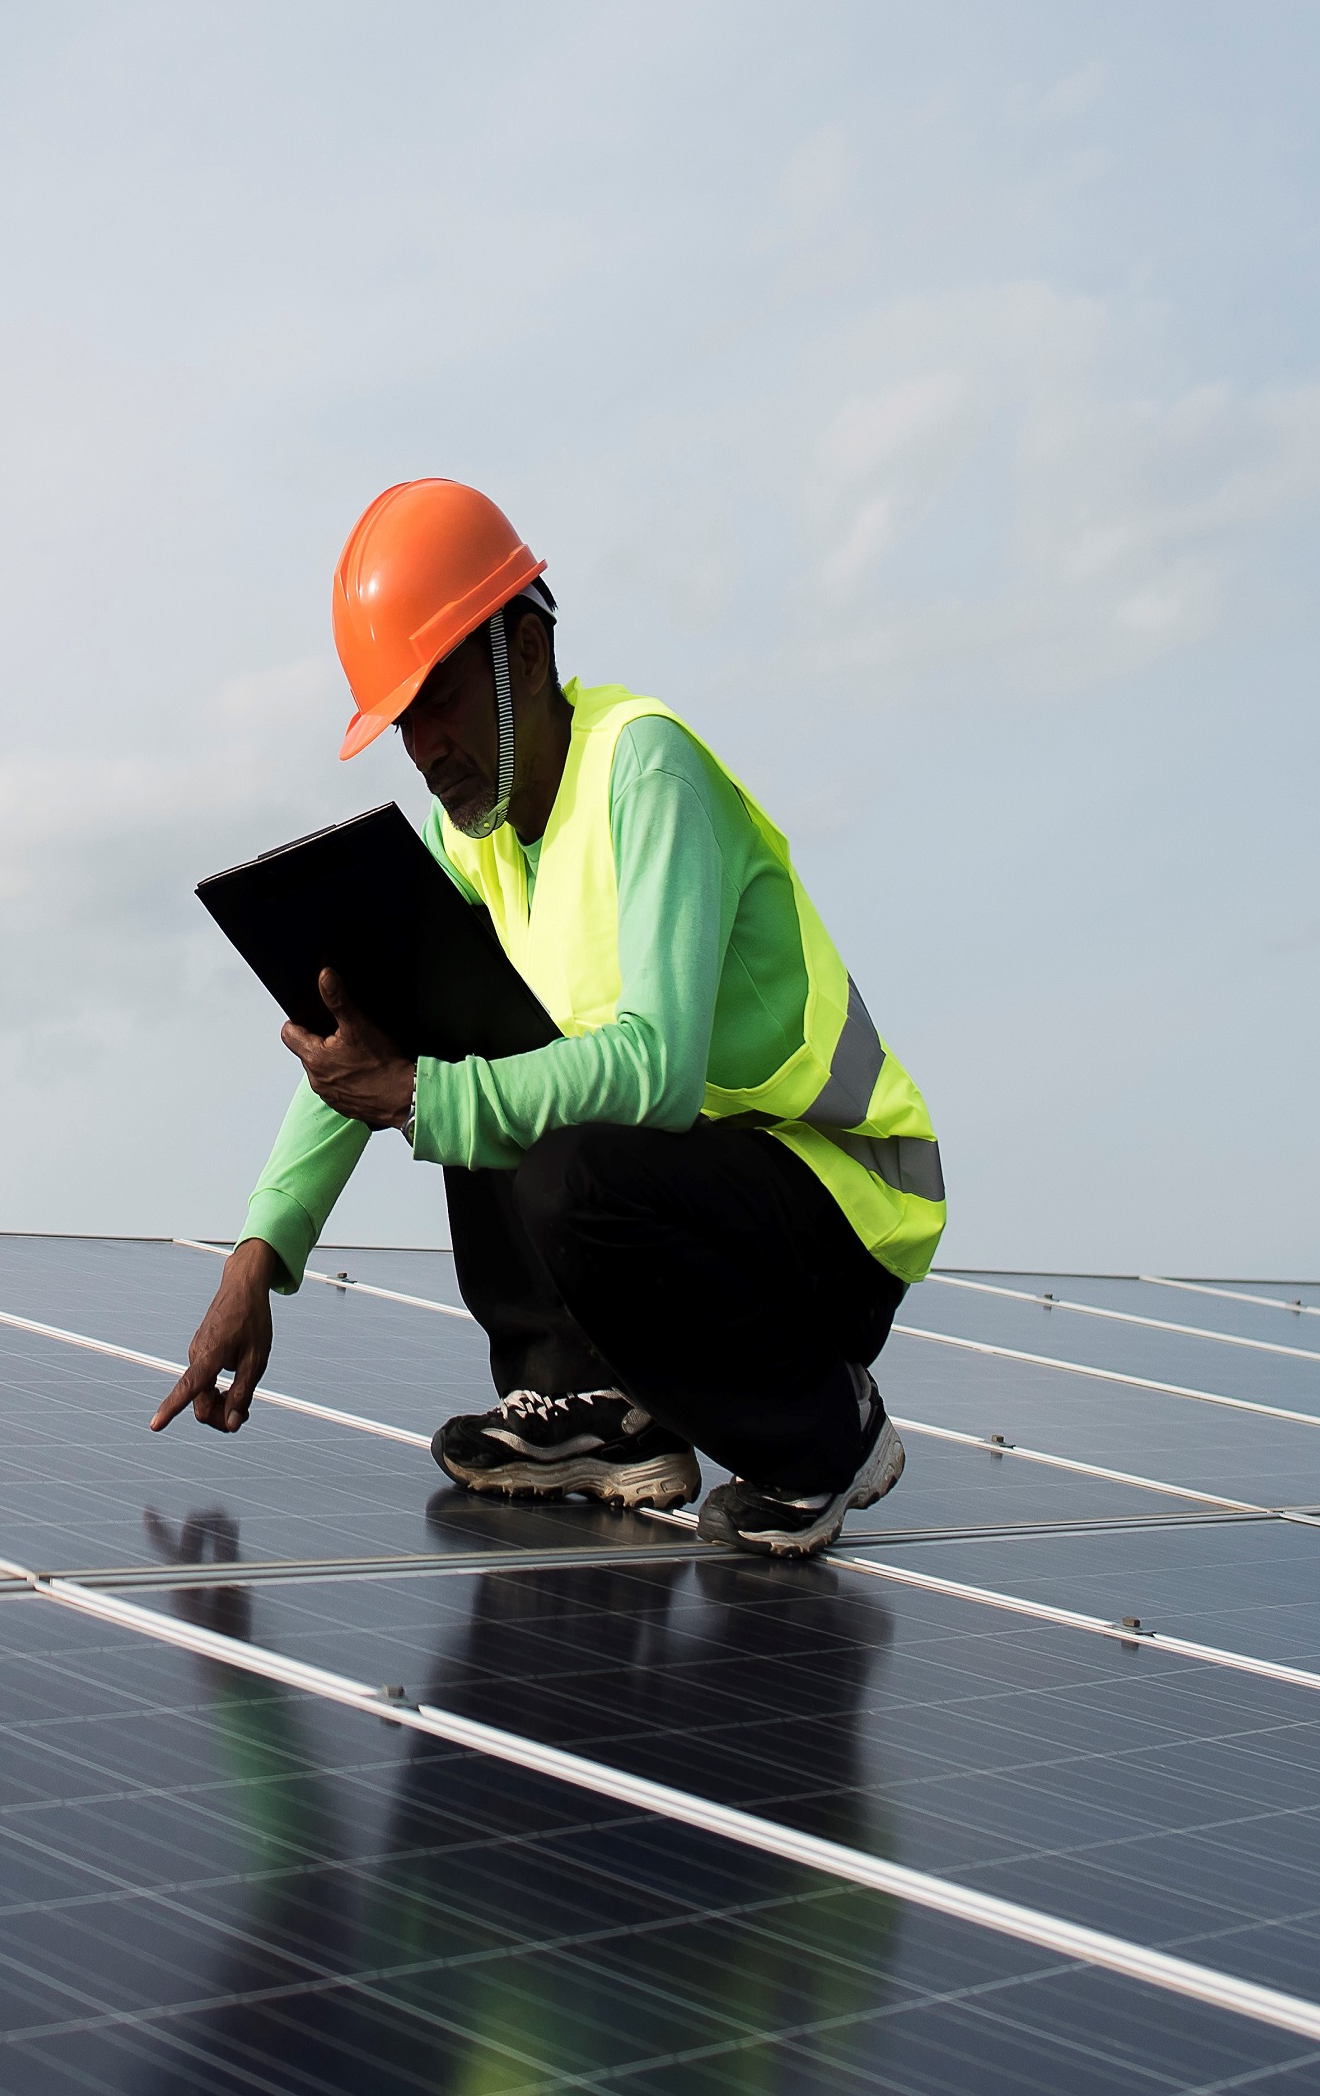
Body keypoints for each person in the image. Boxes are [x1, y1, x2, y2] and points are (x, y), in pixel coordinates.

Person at [155, 478, 947, 1555]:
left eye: (438, 697)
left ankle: (825, 1432)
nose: (424, 745)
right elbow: (368, 1045)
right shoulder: (471, 838)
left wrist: (426, 1093)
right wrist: (261, 1249)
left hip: (836, 1208)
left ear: (524, 654)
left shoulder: (641, 764)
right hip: (699, 1198)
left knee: (544, 1153)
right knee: (455, 1024)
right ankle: (601, 1406)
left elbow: (658, 1069)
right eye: (402, 721)